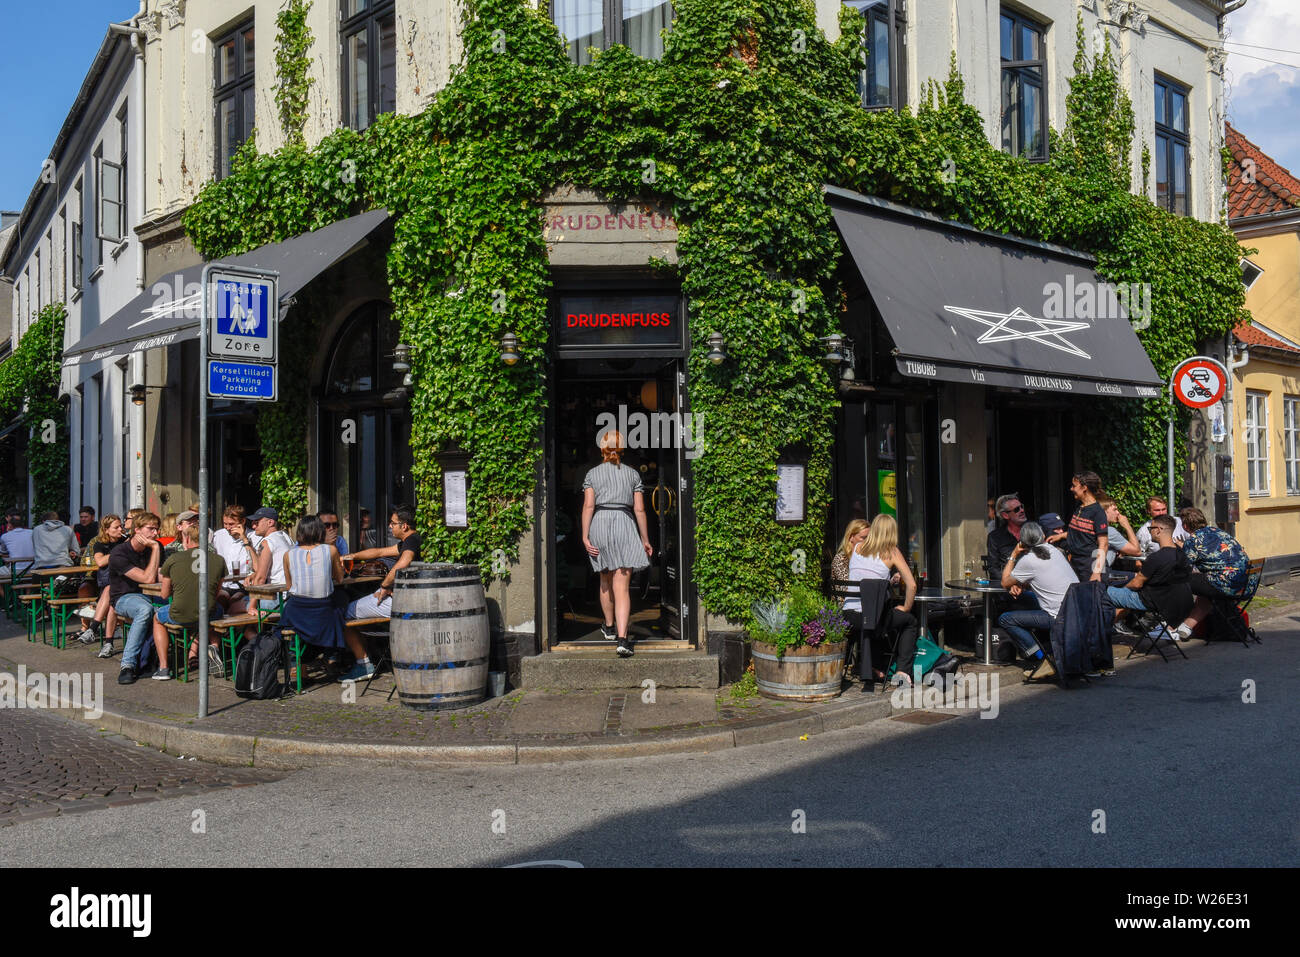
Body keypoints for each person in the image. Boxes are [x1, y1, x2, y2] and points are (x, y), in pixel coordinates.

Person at [580, 431, 653, 658]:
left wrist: (585, 536)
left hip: (600, 524)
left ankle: (609, 627)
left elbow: (588, 506)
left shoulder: (593, 474)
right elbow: (639, 509)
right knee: (622, 586)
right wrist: (645, 539)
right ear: (622, 450)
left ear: (602, 449)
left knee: (605, 578)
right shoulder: (632, 475)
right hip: (624, 523)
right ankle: (622, 640)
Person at [279, 515, 374, 681]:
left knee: (290, 618)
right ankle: (333, 656)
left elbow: (289, 586)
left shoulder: (288, 555)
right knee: (341, 604)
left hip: (296, 611)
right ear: (319, 531)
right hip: (322, 611)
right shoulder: (330, 550)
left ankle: (297, 665)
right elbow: (339, 579)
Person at [340, 505, 422, 680]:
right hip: (407, 600)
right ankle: (370, 656)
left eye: (393, 523)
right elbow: (379, 551)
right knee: (356, 610)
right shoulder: (408, 542)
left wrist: (385, 586)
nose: (390, 526)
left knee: (343, 612)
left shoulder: (412, 541)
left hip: (401, 603)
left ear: (404, 526)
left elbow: (403, 562)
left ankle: (363, 664)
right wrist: (353, 556)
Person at [840, 514, 919, 685]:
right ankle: (902, 672)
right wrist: (906, 607)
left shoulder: (857, 547)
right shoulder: (892, 552)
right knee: (909, 621)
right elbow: (912, 585)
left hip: (848, 616)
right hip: (872, 618)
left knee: (881, 616)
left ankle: (873, 666)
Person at [997, 522, 1080, 681]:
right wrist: (1021, 583)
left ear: (1022, 542)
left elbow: (1004, 582)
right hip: (1075, 611)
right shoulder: (1054, 550)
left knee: (1006, 619)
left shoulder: (1028, 560)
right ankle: (1049, 649)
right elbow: (1045, 577)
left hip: (1058, 617)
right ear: (1042, 536)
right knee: (1026, 598)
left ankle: (1044, 658)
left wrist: (1014, 554)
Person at [148, 521, 227, 680]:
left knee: (157, 618)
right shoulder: (219, 560)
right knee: (216, 611)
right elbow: (216, 592)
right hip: (208, 612)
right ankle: (214, 646)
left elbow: (164, 595)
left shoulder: (174, 559)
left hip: (180, 614)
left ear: (187, 540)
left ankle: (163, 668)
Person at [1107, 515, 1193, 643]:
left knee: (1102, 591)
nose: (1150, 532)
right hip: (1180, 602)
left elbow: (1136, 584)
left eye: (1150, 529)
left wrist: (1122, 591)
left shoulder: (1156, 557)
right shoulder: (1182, 554)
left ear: (1158, 529)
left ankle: (1098, 633)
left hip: (1154, 602)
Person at [1171, 507, 1251, 639]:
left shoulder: (1193, 540)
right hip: (1245, 583)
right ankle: (1186, 627)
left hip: (1225, 583)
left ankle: (1170, 624)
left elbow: (1183, 566)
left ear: (1185, 526)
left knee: (1178, 580)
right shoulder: (1218, 531)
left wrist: (1182, 547)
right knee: (1205, 588)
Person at [108, 511, 162, 685]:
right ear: (137, 530)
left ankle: (166, 662)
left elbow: (160, 575)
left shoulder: (156, 547)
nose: (155, 534)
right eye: (151, 529)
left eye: (157, 529)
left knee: (174, 609)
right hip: (124, 598)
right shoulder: (119, 553)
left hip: (151, 595)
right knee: (145, 610)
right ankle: (128, 665)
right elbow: (147, 578)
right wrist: (154, 548)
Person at [73, 514, 123, 654]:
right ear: (106, 530)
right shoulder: (99, 544)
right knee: (108, 594)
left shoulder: (126, 541)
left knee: (109, 592)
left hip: (123, 583)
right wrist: (119, 552)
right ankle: (106, 642)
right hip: (109, 583)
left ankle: (92, 630)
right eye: (116, 527)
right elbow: (100, 562)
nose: (120, 529)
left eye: (121, 526)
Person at [246, 506, 294, 610]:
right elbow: (260, 570)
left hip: (278, 599)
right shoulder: (285, 537)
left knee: (235, 606)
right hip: (291, 597)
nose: (253, 526)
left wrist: (252, 607)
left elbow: (260, 579)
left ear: (270, 522)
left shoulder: (268, 542)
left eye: (257, 522)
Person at [1065, 470, 1109, 582]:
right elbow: (1081, 533)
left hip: (1089, 567)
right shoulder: (1080, 507)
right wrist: (1060, 536)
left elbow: (1103, 545)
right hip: (1076, 563)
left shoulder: (1097, 512)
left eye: (1074, 486)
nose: (1071, 489)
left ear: (1084, 487)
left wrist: (1097, 572)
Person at [212, 505, 255, 614]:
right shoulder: (219, 535)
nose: (227, 527)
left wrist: (244, 539)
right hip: (224, 584)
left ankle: (234, 630)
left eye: (231, 524)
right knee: (220, 600)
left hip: (243, 585)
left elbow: (257, 564)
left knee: (235, 600)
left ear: (243, 521)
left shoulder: (253, 536)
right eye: (225, 524)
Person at [1096, 495, 1141, 571]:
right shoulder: (1109, 531)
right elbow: (1137, 551)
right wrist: (1127, 526)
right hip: (1101, 572)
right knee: (1137, 578)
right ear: (1104, 512)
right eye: (1114, 510)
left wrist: (1119, 549)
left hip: (1089, 569)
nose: (1118, 513)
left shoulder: (1093, 527)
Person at [986, 493, 1028, 572]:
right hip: (1009, 581)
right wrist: (1009, 583)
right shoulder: (995, 537)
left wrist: (1059, 536)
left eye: (1021, 507)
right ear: (1005, 515)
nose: (1022, 510)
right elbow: (993, 568)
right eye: (1016, 509)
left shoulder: (1034, 530)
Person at [830, 519, 869, 586]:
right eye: (863, 538)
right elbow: (847, 587)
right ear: (851, 537)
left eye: (869, 538)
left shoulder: (868, 557)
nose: (868, 541)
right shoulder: (841, 559)